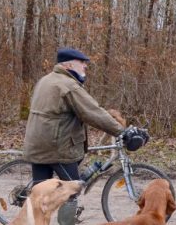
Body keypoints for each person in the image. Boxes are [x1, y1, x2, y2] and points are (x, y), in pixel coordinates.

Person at [23, 47, 125, 225]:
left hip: (37, 144)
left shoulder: (46, 80)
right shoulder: (67, 85)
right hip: (56, 148)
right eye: (82, 63)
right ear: (69, 64)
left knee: (39, 195)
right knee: (72, 190)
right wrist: (121, 131)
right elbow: (92, 112)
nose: (85, 66)